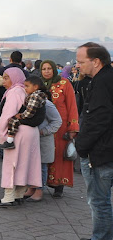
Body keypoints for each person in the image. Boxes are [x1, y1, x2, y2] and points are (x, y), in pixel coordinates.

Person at [71, 43, 113, 240]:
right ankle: (102, 239)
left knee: (99, 201)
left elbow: (98, 119)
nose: (77, 65)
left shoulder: (103, 82)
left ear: (96, 61)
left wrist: (82, 147)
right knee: (100, 200)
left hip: (101, 151)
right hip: (104, 149)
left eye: (80, 61)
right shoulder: (102, 79)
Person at [0, 68, 42, 207]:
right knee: (23, 164)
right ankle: (19, 194)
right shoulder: (24, 90)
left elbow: (7, 115)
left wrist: (0, 135)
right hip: (31, 132)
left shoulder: (14, 92)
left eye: (7, 77)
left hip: (18, 132)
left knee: (11, 164)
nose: (4, 81)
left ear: (15, 78)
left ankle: (8, 197)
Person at [41, 60, 79, 198]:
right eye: (44, 69)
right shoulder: (38, 84)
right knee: (44, 154)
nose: (46, 71)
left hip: (61, 128)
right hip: (43, 126)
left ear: (54, 70)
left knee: (59, 156)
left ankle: (58, 186)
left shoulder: (64, 83)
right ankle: (41, 183)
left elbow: (72, 106)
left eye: (49, 68)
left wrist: (73, 127)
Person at [23, 84, 61, 202]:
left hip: (43, 140)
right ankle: (32, 188)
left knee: (41, 165)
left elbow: (57, 121)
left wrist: (43, 132)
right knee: (33, 165)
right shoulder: (31, 100)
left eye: (27, 86)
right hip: (34, 140)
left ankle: (39, 190)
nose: (25, 88)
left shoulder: (46, 104)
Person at [0, 76, 47, 150]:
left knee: (13, 120)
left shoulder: (34, 96)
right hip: (36, 120)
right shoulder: (39, 95)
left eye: (27, 86)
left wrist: (21, 116)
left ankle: (10, 141)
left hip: (33, 119)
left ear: (35, 87)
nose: (25, 88)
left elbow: (30, 111)